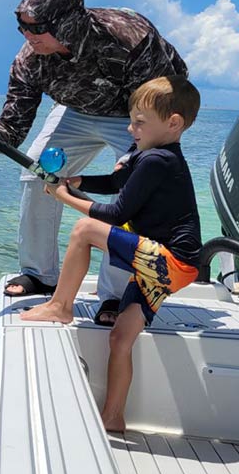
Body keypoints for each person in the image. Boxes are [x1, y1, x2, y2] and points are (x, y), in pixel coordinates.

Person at [0, 0, 187, 326]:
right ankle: (41, 273)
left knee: (138, 186)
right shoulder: (29, 61)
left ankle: (118, 295)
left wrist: (140, 155)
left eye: (37, 27)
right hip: (75, 111)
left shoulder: (131, 38)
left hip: (140, 112)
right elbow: (10, 132)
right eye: (21, 26)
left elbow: (164, 99)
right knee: (35, 174)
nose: (28, 36)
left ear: (68, 22)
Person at [19, 75, 201, 432]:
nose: (131, 128)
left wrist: (63, 197)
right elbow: (118, 183)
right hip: (171, 268)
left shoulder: (158, 161)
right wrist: (78, 182)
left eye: (139, 122)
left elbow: (117, 214)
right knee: (121, 336)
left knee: (84, 230)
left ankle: (60, 306)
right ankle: (113, 416)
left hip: (169, 261)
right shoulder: (148, 156)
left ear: (173, 123)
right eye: (131, 120)